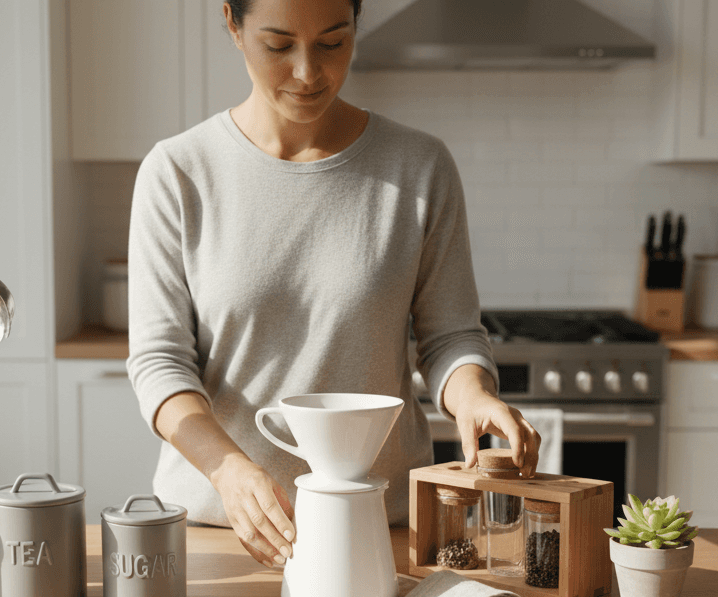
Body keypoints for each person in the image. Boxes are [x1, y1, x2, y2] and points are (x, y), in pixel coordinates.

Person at [127, 0, 540, 568]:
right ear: (232, 23)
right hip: (222, 530)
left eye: (332, 42)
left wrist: (471, 395)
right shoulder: (177, 172)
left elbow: (449, 337)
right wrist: (228, 469)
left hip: (377, 526)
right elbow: (159, 363)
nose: (308, 72)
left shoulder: (419, 166)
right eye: (278, 45)